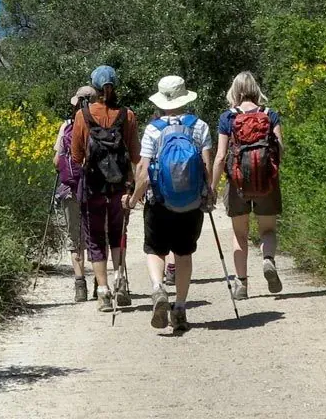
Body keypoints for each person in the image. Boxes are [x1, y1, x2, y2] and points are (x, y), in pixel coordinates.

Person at [128, 75, 214, 334]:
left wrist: (134, 198)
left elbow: (143, 170)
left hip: (159, 202)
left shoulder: (153, 129)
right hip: (190, 204)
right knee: (184, 253)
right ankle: (179, 308)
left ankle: (157, 289)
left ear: (161, 100)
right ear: (184, 97)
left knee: (155, 249)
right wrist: (208, 193)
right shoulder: (199, 126)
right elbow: (207, 166)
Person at [68, 66, 137, 311]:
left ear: (94, 89)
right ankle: (120, 282)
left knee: (96, 238)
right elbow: (135, 154)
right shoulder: (127, 115)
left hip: (93, 186)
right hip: (119, 186)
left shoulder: (82, 116)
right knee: (118, 233)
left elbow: (76, 156)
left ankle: (103, 291)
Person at [210, 71, 285, 299]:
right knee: (268, 230)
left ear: (235, 91)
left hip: (237, 182)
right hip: (266, 181)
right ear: (255, 89)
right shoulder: (270, 114)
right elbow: (280, 148)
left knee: (239, 234)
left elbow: (221, 156)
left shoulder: (228, 118)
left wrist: (212, 187)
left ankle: (241, 285)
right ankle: (267, 260)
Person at [52, 85, 97, 303]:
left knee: (75, 237)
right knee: (98, 236)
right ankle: (101, 283)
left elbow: (56, 160)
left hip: (71, 190)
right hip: (97, 189)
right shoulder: (104, 123)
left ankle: (80, 286)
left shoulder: (67, 126)